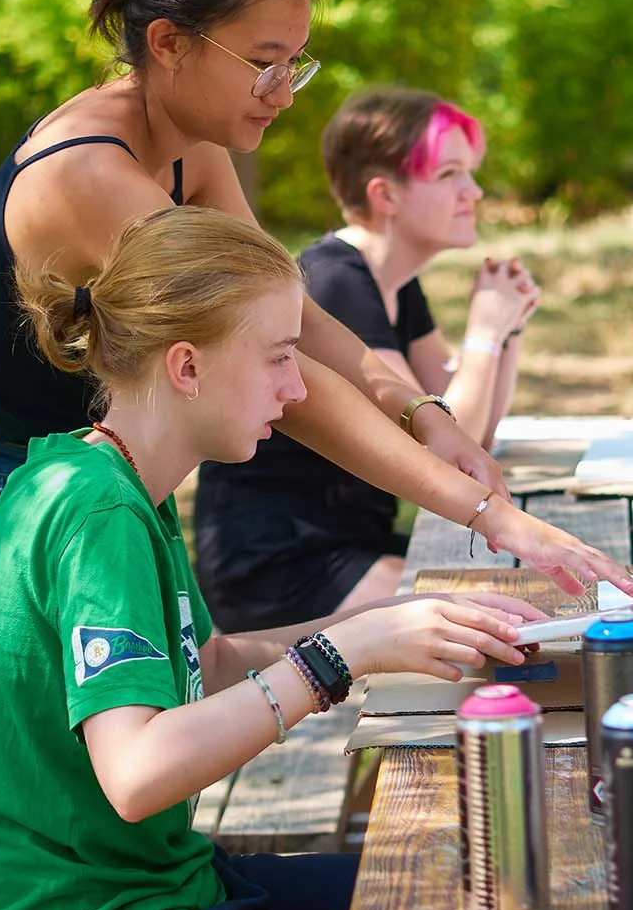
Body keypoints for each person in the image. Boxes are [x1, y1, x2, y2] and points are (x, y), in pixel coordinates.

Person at [0, 0, 633, 910]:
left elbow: (280, 309)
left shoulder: (193, 147)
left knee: (104, 852)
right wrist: (474, 517)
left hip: (93, 477)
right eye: (267, 60)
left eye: (298, 58)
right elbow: (278, 364)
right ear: (169, 42)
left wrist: (421, 408)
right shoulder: (88, 188)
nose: (287, 90)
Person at [0, 204, 539, 910]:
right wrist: (341, 657)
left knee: (451, 885)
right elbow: (140, 769)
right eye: (280, 358)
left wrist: (386, 627)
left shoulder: (112, 474)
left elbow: (211, 659)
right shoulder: (98, 510)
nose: (298, 391)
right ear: (186, 365)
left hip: (155, 897)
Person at [196, 87, 539, 629]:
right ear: (386, 195)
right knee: (505, 618)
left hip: (353, 541)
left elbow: (471, 441)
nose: (473, 190)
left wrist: (508, 330)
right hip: (287, 561)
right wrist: (484, 332)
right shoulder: (335, 280)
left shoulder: (395, 284)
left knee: (522, 599)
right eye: (450, 174)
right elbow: (437, 449)